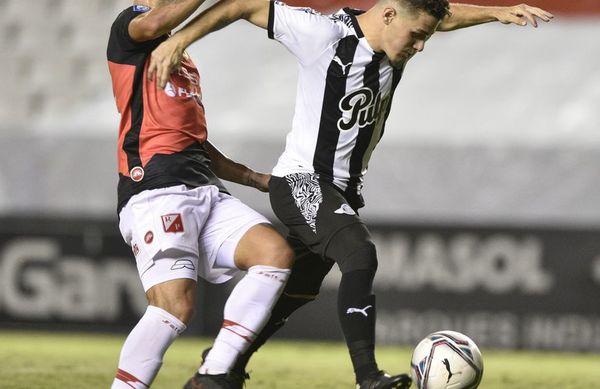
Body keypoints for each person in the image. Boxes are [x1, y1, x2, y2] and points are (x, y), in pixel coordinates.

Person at [147, 0, 554, 388]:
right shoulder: (322, 34)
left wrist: (498, 13)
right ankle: (367, 376)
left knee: (294, 292)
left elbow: (441, 17)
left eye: (426, 36)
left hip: (341, 193)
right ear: (390, 14)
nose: (421, 46)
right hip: (302, 182)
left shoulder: (402, 32)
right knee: (360, 253)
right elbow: (242, 4)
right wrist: (179, 39)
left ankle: (220, 368)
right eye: (416, 36)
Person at [106, 1, 295, 388]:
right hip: (155, 189)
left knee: (273, 255)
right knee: (174, 307)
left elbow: (195, 142)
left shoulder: (182, 56)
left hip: (204, 187)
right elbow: (160, 19)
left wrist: (256, 178)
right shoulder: (131, 29)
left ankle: (213, 372)